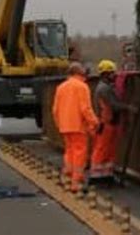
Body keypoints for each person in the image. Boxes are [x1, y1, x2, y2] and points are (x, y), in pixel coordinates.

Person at [52, 62, 99, 192]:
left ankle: (68, 176)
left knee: (69, 151)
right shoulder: (82, 87)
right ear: (80, 73)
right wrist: (94, 122)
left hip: (65, 125)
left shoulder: (61, 87)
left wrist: (59, 124)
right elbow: (85, 109)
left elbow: (55, 110)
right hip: (78, 125)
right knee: (80, 152)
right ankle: (76, 181)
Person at [89, 60, 137, 185]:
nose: (113, 75)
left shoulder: (105, 87)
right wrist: (128, 108)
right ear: (105, 74)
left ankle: (106, 175)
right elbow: (114, 105)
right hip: (106, 123)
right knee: (102, 149)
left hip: (110, 123)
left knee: (109, 150)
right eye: (111, 73)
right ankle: (96, 177)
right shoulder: (104, 89)